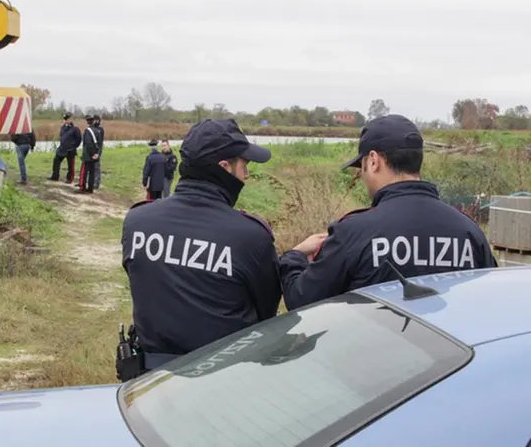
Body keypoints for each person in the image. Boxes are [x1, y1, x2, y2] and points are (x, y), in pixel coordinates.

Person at [280, 114, 498, 311]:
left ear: (374, 161)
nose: (363, 177)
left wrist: (294, 257)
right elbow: (489, 302)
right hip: (456, 354)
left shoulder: (353, 232)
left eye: (363, 166)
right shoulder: (469, 231)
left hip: (378, 353)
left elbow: (301, 301)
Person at [120, 118, 282, 372]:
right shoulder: (250, 237)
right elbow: (266, 314)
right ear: (224, 167)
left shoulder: (137, 221)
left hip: (147, 383)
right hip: (224, 382)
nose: (247, 175)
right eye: (244, 165)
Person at [49, 112, 81, 183]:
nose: (66, 120)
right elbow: (61, 136)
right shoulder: (63, 127)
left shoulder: (75, 129)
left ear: (70, 119)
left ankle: (69, 178)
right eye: (65, 119)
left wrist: (73, 146)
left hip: (70, 150)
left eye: (67, 119)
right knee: (56, 160)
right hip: (62, 148)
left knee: (70, 165)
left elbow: (79, 139)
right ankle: (55, 176)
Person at [78, 115, 101, 193]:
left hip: (88, 156)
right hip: (95, 156)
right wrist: (97, 154)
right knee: (92, 173)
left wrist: (92, 154)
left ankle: (82, 187)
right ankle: (90, 188)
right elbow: (100, 144)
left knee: (84, 172)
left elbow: (88, 144)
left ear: (87, 122)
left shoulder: (87, 131)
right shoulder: (98, 131)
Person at [93, 115, 105, 190]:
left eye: (97, 120)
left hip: (98, 148)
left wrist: (99, 152)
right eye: (95, 120)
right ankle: (91, 181)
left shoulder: (100, 129)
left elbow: (101, 142)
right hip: (92, 149)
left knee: (97, 166)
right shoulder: (92, 128)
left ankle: (96, 183)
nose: (96, 121)